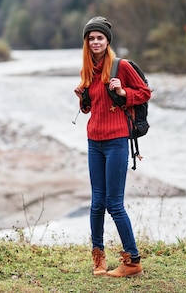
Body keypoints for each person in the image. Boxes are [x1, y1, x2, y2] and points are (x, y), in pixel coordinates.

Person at [74, 16, 151, 278]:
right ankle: (98, 258)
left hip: (117, 141)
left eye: (100, 38)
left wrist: (123, 93)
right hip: (94, 141)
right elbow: (89, 108)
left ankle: (132, 261)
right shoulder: (87, 70)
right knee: (96, 203)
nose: (95, 42)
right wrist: (81, 98)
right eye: (91, 38)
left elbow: (145, 93)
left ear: (107, 41)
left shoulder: (122, 67)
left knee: (114, 204)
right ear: (87, 42)